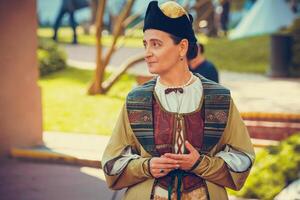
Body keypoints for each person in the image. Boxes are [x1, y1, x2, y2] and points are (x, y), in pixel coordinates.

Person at [102, 1, 255, 200]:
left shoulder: (219, 98)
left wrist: (199, 163)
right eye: (145, 44)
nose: (147, 52)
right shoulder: (136, 100)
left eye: (156, 44)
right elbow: (112, 162)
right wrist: (147, 166)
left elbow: (243, 157)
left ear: (182, 47)